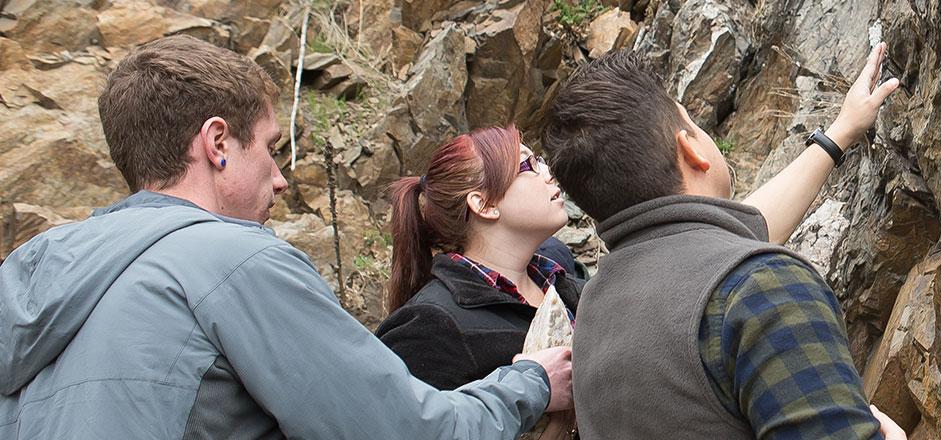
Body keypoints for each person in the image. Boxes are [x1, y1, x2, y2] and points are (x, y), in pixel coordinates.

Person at [0, 35, 571, 439]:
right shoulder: (234, 262)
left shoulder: (34, 281)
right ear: (217, 143)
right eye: (270, 147)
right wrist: (530, 385)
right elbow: (403, 431)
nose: (279, 180)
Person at [541, 42, 903, 439]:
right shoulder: (764, 289)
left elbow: (726, 236)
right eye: (693, 123)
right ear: (690, 147)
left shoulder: (594, 311)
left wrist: (840, 131)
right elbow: (732, 268)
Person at [376, 126, 583, 393]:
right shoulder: (431, 328)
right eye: (528, 166)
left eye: (539, 160)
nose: (548, 173)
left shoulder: (561, 282)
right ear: (484, 205)